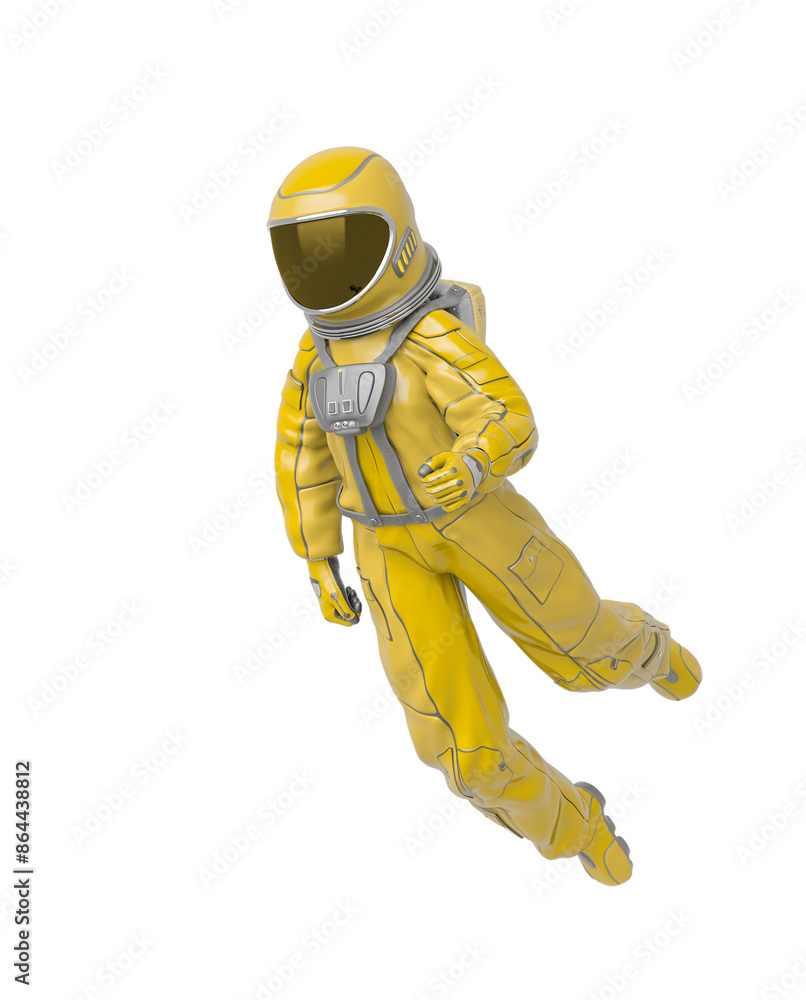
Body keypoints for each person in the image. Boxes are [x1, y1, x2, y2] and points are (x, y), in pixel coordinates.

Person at [269, 146, 701, 885]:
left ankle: (648, 650)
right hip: (387, 550)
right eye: (305, 250)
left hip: (479, 524)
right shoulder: (315, 360)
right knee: (463, 752)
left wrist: (473, 461)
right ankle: (572, 826)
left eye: (342, 245)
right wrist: (318, 556)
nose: (323, 266)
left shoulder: (433, 338)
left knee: (584, 655)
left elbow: (506, 415)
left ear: (397, 241)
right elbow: (302, 457)